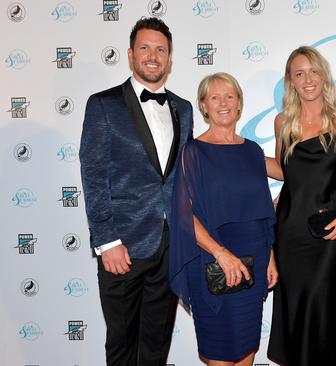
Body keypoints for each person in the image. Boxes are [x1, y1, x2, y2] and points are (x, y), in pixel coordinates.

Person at [79, 17, 193, 366]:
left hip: (169, 244)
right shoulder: (103, 104)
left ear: (170, 58)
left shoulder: (183, 109)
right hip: (123, 247)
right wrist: (107, 240)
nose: (153, 55)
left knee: (156, 344)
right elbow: (94, 174)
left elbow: (184, 177)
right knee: (123, 344)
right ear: (131, 55)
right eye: (145, 48)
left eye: (161, 49)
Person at [266, 46, 336, 366]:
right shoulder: (283, 121)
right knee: (293, 314)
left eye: (313, 71)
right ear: (291, 81)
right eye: (299, 73)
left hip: (329, 232)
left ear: (324, 75)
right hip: (289, 231)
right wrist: (244, 155)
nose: (308, 79)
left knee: (319, 313)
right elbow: (289, 172)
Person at [168, 72, 277, 366]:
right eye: (214, 97)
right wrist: (221, 254)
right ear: (204, 106)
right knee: (219, 354)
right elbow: (182, 215)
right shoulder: (193, 152)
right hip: (211, 262)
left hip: (254, 261)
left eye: (230, 96)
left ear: (240, 103)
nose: (223, 103)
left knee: (246, 354)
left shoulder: (253, 152)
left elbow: (266, 205)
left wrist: (270, 256)